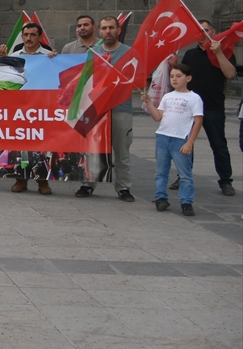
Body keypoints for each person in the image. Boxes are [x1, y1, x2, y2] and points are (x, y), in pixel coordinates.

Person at [75, 16, 135, 202]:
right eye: (104, 28)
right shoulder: (93, 53)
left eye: (111, 28)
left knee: (121, 151)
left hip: (120, 108)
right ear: (99, 31)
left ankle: (123, 187)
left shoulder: (129, 53)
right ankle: (88, 183)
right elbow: (85, 80)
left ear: (118, 30)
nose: (108, 31)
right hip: (97, 108)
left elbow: (135, 78)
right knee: (93, 149)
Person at [176, 22, 236, 196]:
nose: (203, 34)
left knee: (219, 145)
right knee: (186, 145)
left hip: (213, 107)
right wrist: (174, 65)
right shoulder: (190, 54)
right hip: (190, 108)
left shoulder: (224, 50)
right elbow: (182, 78)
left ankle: (225, 181)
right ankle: (184, 176)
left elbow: (230, 74)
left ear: (213, 32)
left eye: (206, 30)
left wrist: (218, 53)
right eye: (199, 32)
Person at [142, 62, 203, 216]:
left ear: (188, 78)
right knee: (161, 171)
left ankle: (186, 201)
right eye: (172, 76)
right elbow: (158, 117)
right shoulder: (168, 96)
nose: (174, 79)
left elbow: (198, 121)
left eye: (178, 76)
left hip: (180, 139)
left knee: (184, 173)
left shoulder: (194, 98)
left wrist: (190, 142)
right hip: (163, 137)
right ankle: (161, 197)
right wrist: (149, 102)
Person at [9, 23, 53, 196]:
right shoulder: (14, 56)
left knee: (42, 144)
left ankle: (43, 181)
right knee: (20, 145)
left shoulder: (49, 56)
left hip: (41, 107)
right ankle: (21, 179)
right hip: (20, 107)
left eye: (32, 35)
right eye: (25, 34)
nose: (28, 38)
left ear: (40, 37)